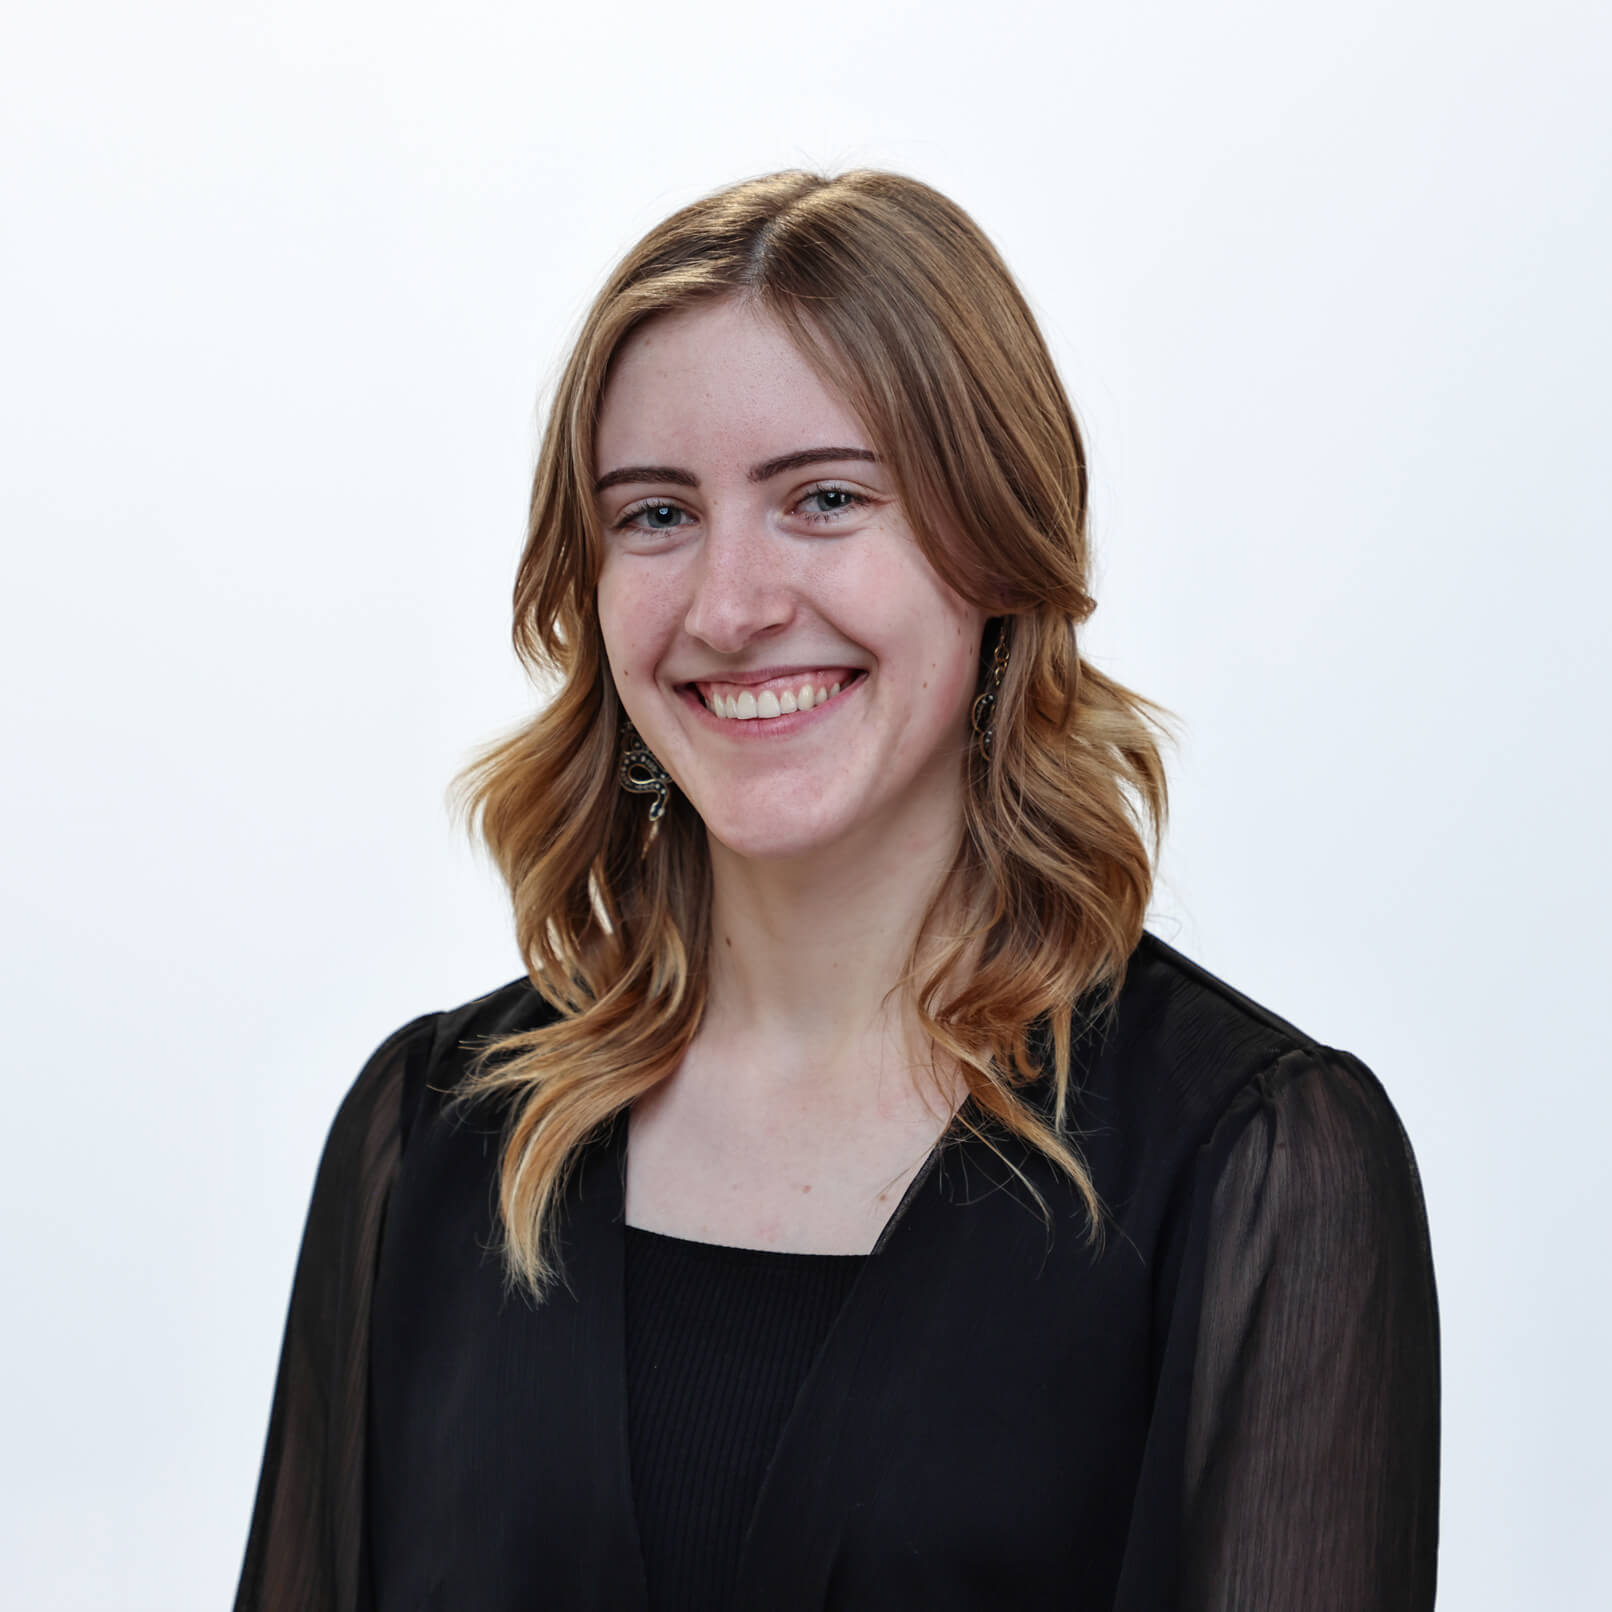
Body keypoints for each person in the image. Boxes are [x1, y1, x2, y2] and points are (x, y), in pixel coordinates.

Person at [233, 169, 1440, 1612]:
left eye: (824, 499)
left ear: (997, 543)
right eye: (657, 515)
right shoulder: (426, 1143)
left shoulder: (1254, 1167)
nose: (733, 607)